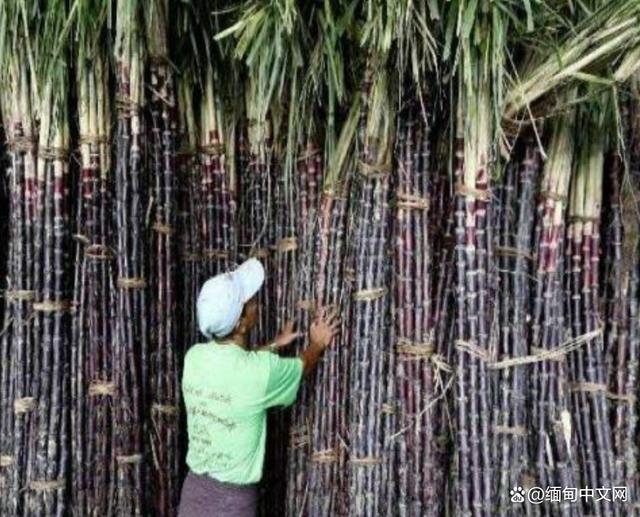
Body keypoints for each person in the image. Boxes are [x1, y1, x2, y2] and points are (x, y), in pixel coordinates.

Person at [178, 258, 339, 517]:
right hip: (232, 504)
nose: (255, 301)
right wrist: (317, 344)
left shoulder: (194, 357)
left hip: (194, 493)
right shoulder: (259, 372)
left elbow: (235, 371)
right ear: (241, 324)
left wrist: (274, 344)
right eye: (248, 301)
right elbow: (301, 368)